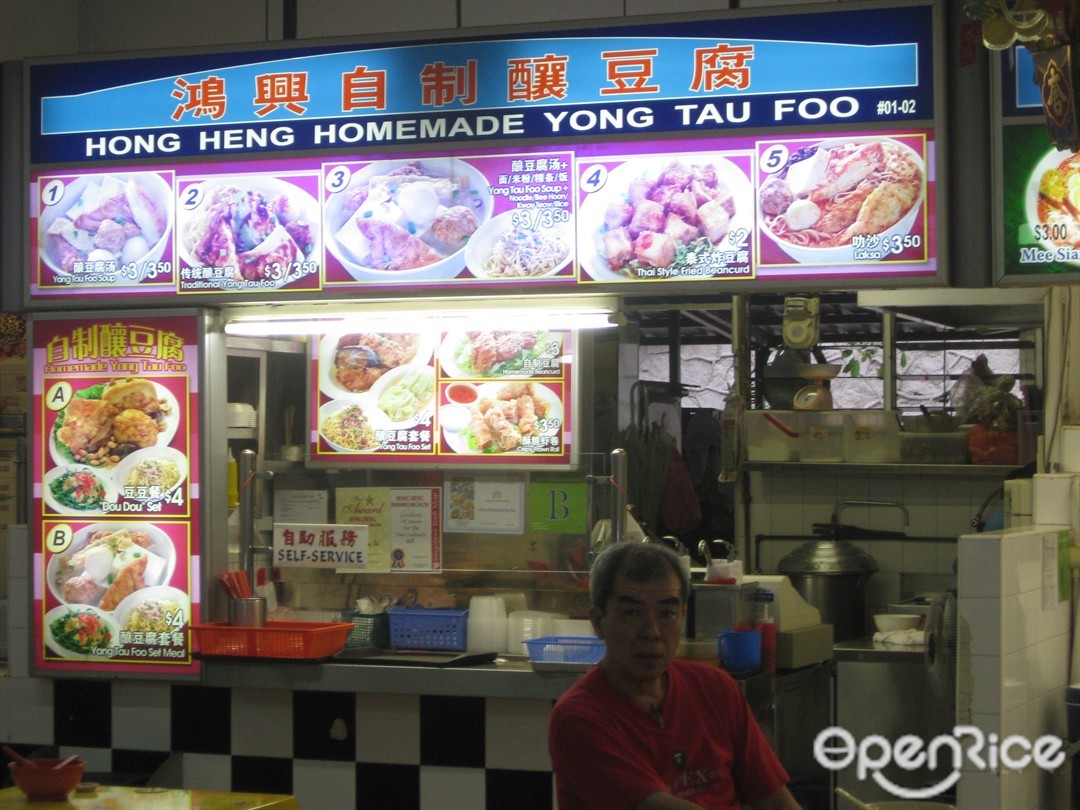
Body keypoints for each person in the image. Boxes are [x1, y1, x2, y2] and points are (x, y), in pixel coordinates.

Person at [548, 541, 801, 810]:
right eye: (632, 613)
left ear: (682, 616)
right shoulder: (580, 717)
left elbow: (775, 800)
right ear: (598, 621)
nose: (652, 632)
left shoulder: (716, 689)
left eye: (667, 613)